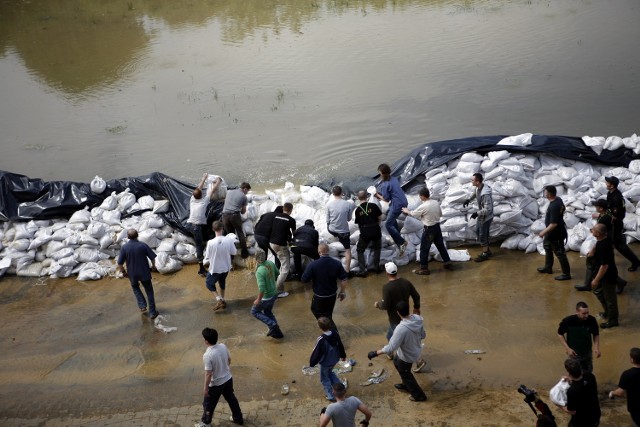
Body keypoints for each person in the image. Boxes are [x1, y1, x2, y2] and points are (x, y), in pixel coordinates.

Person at [367, 301, 427, 402]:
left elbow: (391, 347)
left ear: (398, 313)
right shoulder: (417, 319)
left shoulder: (401, 328)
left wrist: (375, 353)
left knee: (406, 373)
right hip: (414, 351)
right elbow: (423, 335)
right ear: (408, 309)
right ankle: (405, 385)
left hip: (407, 356)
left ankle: (419, 396)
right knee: (396, 361)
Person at [374, 262, 425, 372]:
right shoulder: (406, 282)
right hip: (406, 314)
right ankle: (389, 352)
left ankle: (419, 360)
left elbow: (386, 305)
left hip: (396, 318)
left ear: (387, 273)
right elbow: (416, 295)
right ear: (396, 271)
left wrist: (378, 304)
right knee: (390, 335)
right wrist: (417, 307)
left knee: (402, 340)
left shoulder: (387, 288)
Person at [575, 199, 627, 294]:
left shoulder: (604, 219)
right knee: (601, 265)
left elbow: (599, 233)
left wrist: (593, 249)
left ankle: (618, 282)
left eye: (596, 206)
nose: (595, 208)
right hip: (605, 243)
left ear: (601, 208)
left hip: (603, 244)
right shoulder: (606, 215)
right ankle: (588, 284)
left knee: (597, 264)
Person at [196, 328, 243, 427]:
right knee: (231, 399)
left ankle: (206, 423)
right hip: (228, 379)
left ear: (206, 341)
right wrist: (224, 369)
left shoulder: (208, 355)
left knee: (208, 404)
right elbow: (229, 360)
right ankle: (238, 418)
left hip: (216, 384)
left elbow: (208, 374)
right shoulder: (223, 346)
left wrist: (205, 388)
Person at [402, 187, 452, 275]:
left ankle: (424, 268)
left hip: (429, 230)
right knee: (440, 246)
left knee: (424, 248)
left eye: (420, 196)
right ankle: (447, 261)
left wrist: (407, 211)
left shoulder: (424, 206)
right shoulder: (435, 202)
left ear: (423, 196)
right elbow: (440, 214)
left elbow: (413, 214)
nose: (420, 198)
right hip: (437, 228)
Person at [116, 228, 159, 319]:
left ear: (128, 237)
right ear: (137, 235)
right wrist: (154, 266)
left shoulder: (124, 247)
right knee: (149, 292)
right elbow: (152, 257)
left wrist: (123, 272)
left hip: (132, 274)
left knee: (136, 288)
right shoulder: (143, 245)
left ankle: (142, 305)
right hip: (144, 273)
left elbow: (120, 263)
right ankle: (152, 313)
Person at [301, 243, 348, 323]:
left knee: (316, 310)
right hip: (332, 295)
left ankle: (329, 329)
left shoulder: (312, 265)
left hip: (319, 296)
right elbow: (344, 279)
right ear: (328, 251)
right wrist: (342, 292)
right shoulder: (337, 263)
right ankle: (329, 327)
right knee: (328, 313)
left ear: (319, 252)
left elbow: (304, 279)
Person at [605, 175, 640, 271]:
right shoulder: (610, 193)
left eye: (608, 182)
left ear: (612, 185)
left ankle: (635, 262)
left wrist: (605, 216)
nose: (606, 184)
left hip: (615, 224)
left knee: (619, 246)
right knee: (617, 245)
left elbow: (615, 214)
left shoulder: (617, 197)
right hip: (612, 223)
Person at [188, 174, 220, 277]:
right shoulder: (204, 201)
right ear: (201, 195)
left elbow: (199, 188)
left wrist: (204, 179)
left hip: (191, 225)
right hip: (197, 227)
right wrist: (218, 182)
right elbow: (212, 191)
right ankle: (201, 269)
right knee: (199, 246)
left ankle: (203, 263)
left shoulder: (192, 200)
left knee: (201, 242)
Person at [537, 185, 571, 281]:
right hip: (551, 233)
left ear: (549, 194)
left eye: (545, 192)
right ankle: (548, 267)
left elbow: (553, 224)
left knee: (560, 252)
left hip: (556, 233)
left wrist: (542, 232)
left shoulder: (554, 206)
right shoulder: (558, 200)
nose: (544, 193)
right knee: (547, 247)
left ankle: (566, 274)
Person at [589, 223, 619, 329]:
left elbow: (604, 266)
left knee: (610, 299)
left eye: (593, 230)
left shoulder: (603, 246)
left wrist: (596, 280)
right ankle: (607, 312)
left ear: (598, 233)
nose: (591, 231)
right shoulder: (602, 241)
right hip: (604, 274)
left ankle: (613, 320)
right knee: (600, 293)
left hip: (608, 276)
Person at [374, 163, 409, 256]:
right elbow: (392, 192)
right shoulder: (394, 178)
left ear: (382, 174)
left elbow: (386, 199)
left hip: (397, 205)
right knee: (390, 213)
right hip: (403, 201)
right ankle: (397, 233)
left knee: (388, 224)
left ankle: (402, 242)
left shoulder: (385, 184)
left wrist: (377, 195)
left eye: (380, 173)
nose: (379, 175)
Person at [309, 317, 347, 402]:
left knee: (324, 378)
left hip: (325, 362)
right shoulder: (335, 333)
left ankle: (330, 395)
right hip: (334, 359)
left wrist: (312, 363)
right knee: (330, 373)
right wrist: (343, 355)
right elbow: (340, 344)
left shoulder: (321, 339)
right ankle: (341, 388)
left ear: (319, 327)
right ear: (330, 325)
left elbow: (317, 352)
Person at [557, 301, 600, 374]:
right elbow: (560, 334)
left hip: (587, 352)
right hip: (573, 353)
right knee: (574, 374)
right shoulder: (568, 321)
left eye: (587, 313)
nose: (586, 315)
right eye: (584, 313)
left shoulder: (591, 320)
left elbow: (596, 334)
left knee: (588, 373)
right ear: (577, 312)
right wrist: (568, 349)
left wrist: (596, 348)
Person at [203, 221, 237, 311]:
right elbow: (234, 252)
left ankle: (219, 300)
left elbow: (207, 256)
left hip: (215, 268)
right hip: (226, 267)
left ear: (213, 229)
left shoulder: (210, 242)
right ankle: (223, 300)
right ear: (223, 228)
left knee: (209, 283)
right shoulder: (229, 240)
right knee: (222, 282)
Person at [251, 248, 284, 339]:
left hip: (266, 297)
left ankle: (272, 325)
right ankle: (277, 332)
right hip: (274, 294)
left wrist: (258, 299)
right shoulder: (270, 263)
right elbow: (277, 274)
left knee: (254, 311)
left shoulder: (259, 271)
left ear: (257, 259)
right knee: (268, 311)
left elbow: (262, 289)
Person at [559, 358, 600, 427]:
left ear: (568, 373)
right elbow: (581, 383)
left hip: (582, 421)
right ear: (580, 368)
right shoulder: (591, 376)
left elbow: (572, 411)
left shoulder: (571, 391)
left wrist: (560, 405)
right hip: (595, 415)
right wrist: (571, 380)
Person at [463, 173, 494, 262]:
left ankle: (485, 254)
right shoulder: (479, 187)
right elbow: (476, 193)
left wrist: (477, 213)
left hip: (486, 216)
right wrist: (469, 199)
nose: (471, 181)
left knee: (482, 235)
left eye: (472, 180)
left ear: (477, 181)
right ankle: (487, 250)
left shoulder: (485, 193)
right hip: (482, 215)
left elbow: (488, 209)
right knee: (478, 231)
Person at [326, 186, 355, 276]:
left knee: (329, 227)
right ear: (342, 193)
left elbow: (327, 220)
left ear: (333, 193)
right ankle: (347, 270)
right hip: (344, 232)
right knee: (348, 250)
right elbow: (349, 219)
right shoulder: (348, 204)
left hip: (332, 230)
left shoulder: (329, 205)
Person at [269, 202, 296, 298]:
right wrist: (292, 242)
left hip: (271, 243)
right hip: (280, 245)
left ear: (283, 209)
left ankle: (277, 284)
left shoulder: (276, 217)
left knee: (282, 262)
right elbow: (294, 234)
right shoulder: (291, 220)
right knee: (285, 268)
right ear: (291, 210)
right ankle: (278, 291)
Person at [353, 190, 382, 277]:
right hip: (376, 230)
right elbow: (380, 218)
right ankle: (376, 267)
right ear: (367, 197)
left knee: (360, 250)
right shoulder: (373, 205)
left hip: (365, 232)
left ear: (358, 198)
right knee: (377, 248)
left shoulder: (358, 210)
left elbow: (358, 224)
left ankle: (362, 270)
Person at [608, 347, 640, 426]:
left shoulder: (627, 374)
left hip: (635, 407)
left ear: (632, 360)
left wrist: (612, 393)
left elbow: (620, 393)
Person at [221, 182, 251, 258]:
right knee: (240, 233)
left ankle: (231, 254)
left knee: (230, 235)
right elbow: (243, 211)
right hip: (234, 216)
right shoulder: (244, 197)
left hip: (224, 216)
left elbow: (226, 202)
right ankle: (244, 252)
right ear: (244, 189)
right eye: (247, 191)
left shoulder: (229, 192)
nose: (247, 193)